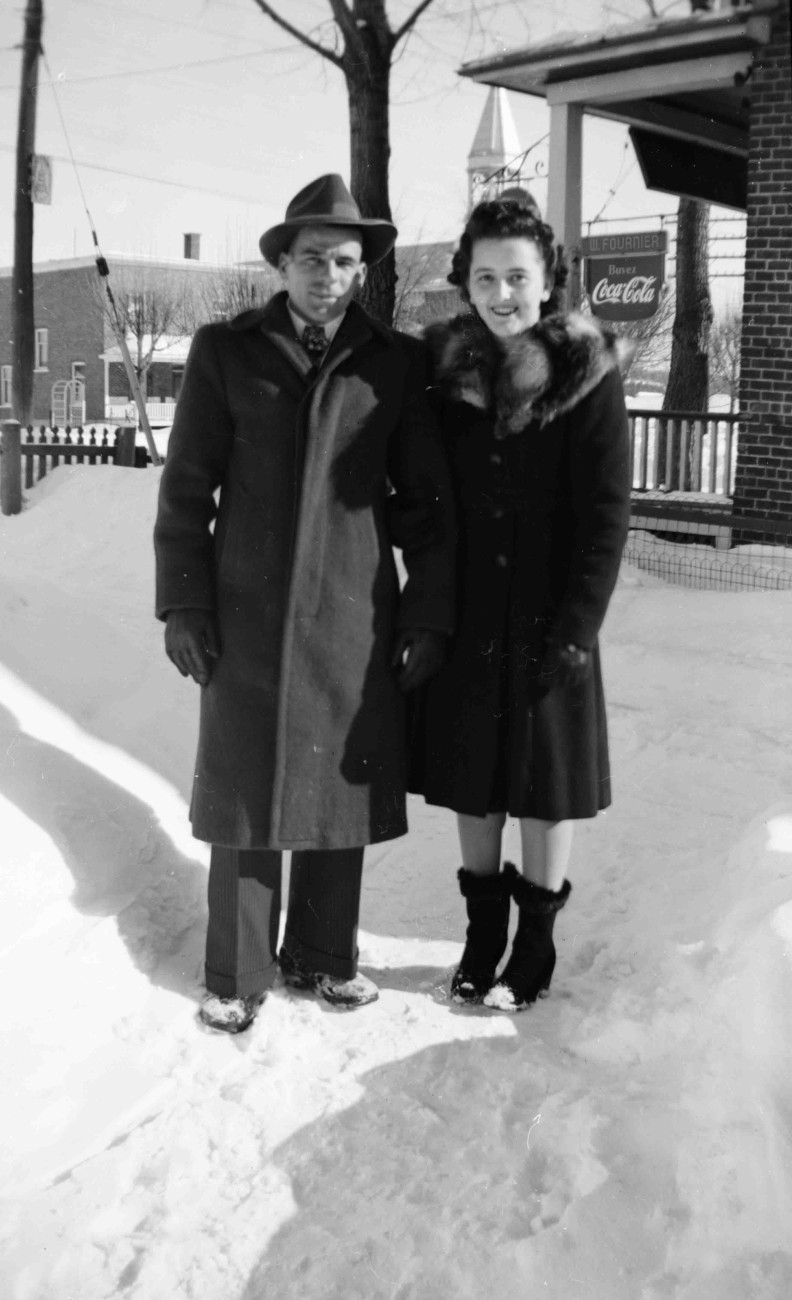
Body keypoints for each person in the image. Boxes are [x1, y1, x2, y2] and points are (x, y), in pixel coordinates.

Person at [154, 174, 455, 1034]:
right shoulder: (225, 350)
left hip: (355, 613)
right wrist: (184, 605)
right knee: (244, 790)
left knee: (337, 786)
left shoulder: (393, 363)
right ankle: (238, 969)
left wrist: (427, 613)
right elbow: (186, 490)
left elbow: (424, 504)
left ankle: (324, 957)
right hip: (244, 611)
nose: (328, 275)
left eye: (346, 261)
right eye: (312, 258)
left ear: (364, 272)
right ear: (283, 263)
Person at [408, 195, 631, 1012]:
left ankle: (533, 945)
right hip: (471, 618)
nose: (504, 293)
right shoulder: (444, 376)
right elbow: (424, 487)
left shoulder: (585, 372)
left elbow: (607, 516)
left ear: (548, 283)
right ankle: (481, 936)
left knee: (542, 784)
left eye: (519, 277)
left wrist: (577, 630)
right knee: (476, 781)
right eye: (487, 276)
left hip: (550, 621)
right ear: (466, 283)